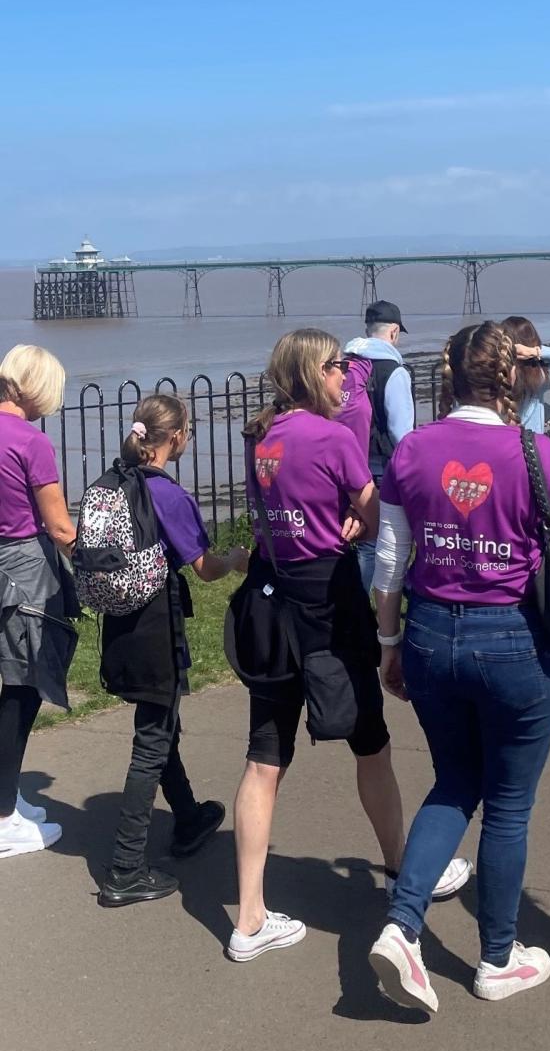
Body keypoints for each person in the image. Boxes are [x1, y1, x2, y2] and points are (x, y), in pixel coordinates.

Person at [227, 328, 469, 962]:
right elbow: (374, 506)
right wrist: (362, 518)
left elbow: (262, 513)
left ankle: (248, 917)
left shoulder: (260, 437)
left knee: (264, 757)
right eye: (337, 368)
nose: (345, 378)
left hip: (270, 594)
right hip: (328, 600)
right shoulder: (333, 437)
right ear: (312, 373)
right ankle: (400, 866)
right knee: (371, 740)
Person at [368, 321, 550, 1013]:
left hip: (430, 635)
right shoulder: (535, 450)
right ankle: (496, 958)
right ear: (508, 376)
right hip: (516, 642)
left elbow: (387, 562)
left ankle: (402, 927)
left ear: (447, 376)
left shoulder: (413, 448)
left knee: (453, 780)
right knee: (508, 806)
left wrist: (389, 643)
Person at [97, 395, 247, 907]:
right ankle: (124, 868)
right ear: (177, 437)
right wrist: (235, 558)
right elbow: (203, 567)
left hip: (119, 621)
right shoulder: (168, 494)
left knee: (160, 726)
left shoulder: (115, 480)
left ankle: (187, 815)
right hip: (156, 626)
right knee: (151, 743)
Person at [0, 343, 78, 858]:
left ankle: (7, 795)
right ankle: (4, 816)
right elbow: (58, 525)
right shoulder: (31, 442)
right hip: (24, 564)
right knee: (22, 685)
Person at [340, 301, 415, 591]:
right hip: (378, 467)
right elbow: (401, 431)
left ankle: (346, 593)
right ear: (394, 332)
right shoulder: (393, 370)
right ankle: (360, 602)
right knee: (373, 540)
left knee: (348, 532)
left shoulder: (345, 364)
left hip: (343, 461)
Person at [501, 316, 550, 433]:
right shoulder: (539, 375)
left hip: (503, 439)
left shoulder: (497, 372)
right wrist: (535, 351)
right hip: (533, 442)